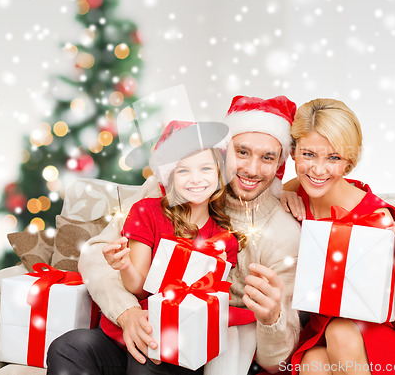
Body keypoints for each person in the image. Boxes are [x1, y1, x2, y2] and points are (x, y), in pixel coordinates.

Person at [47, 95, 302, 375]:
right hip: (138, 328)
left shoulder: (284, 233)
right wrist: (127, 312)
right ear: (224, 152)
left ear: (279, 163)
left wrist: (271, 318)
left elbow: (278, 361)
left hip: (197, 351)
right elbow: (96, 255)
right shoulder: (172, 188)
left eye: (267, 157)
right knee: (70, 348)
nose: (252, 170)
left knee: (154, 361)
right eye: (242, 152)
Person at [280, 98, 395, 375]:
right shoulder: (297, 189)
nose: (318, 170)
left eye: (333, 158)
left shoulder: (376, 218)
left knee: (341, 330)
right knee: (312, 364)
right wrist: (277, 195)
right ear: (293, 153)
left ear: (349, 162)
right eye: (308, 155)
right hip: (324, 335)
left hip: (385, 340)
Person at [102, 120, 239, 374]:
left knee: (147, 362)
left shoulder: (225, 241)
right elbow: (138, 288)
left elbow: (204, 307)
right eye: (183, 170)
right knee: (70, 346)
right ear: (171, 176)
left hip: (178, 343)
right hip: (129, 331)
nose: (195, 179)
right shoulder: (147, 212)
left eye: (205, 168)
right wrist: (124, 266)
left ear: (219, 174)